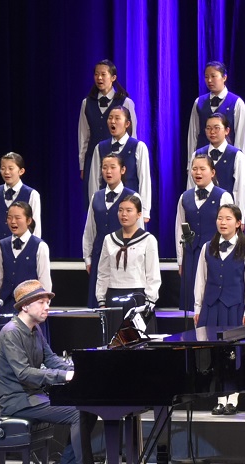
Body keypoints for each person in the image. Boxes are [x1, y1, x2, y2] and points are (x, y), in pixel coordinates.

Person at [0, 280, 103, 464]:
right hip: (18, 401)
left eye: (47, 302)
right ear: (25, 306)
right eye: (42, 302)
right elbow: (24, 373)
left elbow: (51, 359)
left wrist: (80, 370)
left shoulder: (35, 330)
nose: (47, 307)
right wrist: (65, 375)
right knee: (78, 414)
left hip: (34, 397)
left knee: (89, 409)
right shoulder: (10, 333)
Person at [194, 204, 245, 415]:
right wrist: (198, 307)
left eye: (228, 218)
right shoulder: (207, 247)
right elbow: (200, 280)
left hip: (234, 307)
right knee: (215, 355)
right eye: (220, 218)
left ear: (238, 223)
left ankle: (233, 398)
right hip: (211, 307)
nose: (223, 222)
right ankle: (220, 398)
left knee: (233, 354)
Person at [0, 202, 51, 356]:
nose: (13, 222)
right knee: (6, 355)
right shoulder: (1, 246)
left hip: (31, 309)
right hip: (7, 306)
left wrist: (43, 307)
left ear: (29, 220)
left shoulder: (40, 246)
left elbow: (45, 282)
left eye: (18, 217)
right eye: (9, 218)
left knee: (31, 355)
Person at [0, 152, 42, 308]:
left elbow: (35, 226)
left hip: (21, 250)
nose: (6, 172)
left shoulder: (31, 194)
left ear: (21, 171)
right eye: (3, 168)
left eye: (10, 168)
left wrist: (33, 250)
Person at [175, 154, 234, 312]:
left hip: (214, 254)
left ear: (212, 172)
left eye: (202, 169)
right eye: (194, 169)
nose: (197, 173)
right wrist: (181, 260)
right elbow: (179, 229)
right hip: (191, 254)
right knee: (190, 303)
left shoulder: (223, 196)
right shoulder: (185, 198)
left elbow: (229, 228)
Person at [95, 194, 160, 334]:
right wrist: (101, 299)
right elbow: (103, 272)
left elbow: (153, 274)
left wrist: (149, 302)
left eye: (129, 210)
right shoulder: (109, 239)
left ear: (139, 214)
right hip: (114, 297)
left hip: (138, 298)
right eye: (120, 210)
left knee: (138, 344)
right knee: (115, 344)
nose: (124, 214)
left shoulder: (148, 240)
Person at [82, 153, 137, 308]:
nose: (108, 171)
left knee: (120, 305)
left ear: (123, 170)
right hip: (100, 253)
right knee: (99, 304)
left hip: (123, 255)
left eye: (113, 167)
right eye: (104, 167)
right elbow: (90, 230)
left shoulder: (132, 197)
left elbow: (139, 234)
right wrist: (88, 258)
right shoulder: (96, 197)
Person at [78, 60, 136, 203]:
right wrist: (82, 165)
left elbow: (132, 135)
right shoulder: (87, 103)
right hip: (93, 157)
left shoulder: (125, 102)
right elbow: (83, 136)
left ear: (113, 77)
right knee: (94, 199)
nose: (99, 78)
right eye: (96, 74)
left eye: (103, 74)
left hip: (119, 157)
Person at [86, 106, 151, 221]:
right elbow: (94, 181)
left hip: (131, 209)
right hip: (107, 207)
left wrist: (144, 211)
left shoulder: (138, 147)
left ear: (127, 124)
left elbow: (144, 180)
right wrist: (95, 206)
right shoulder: (100, 148)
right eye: (110, 118)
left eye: (117, 118)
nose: (112, 121)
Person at [188, 113, 245, 216]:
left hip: (226, 214)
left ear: (226, 131)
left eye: (217, 128)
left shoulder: (236, 155)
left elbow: (240, 189)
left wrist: (239, 217)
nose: (212, 132)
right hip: (201, 212)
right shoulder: (197, 154)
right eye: (208, 128)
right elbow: (191, 186)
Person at [187, 60, 245, 155]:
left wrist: (238, 162)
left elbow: (240, 137)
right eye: (206, 77)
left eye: (213, 76)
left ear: (224, 77)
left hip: (227, 159)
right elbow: (193, 134)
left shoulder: (237, 103)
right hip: (203, 159)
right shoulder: (199, 102)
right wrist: (191, 162)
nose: (209, 80)